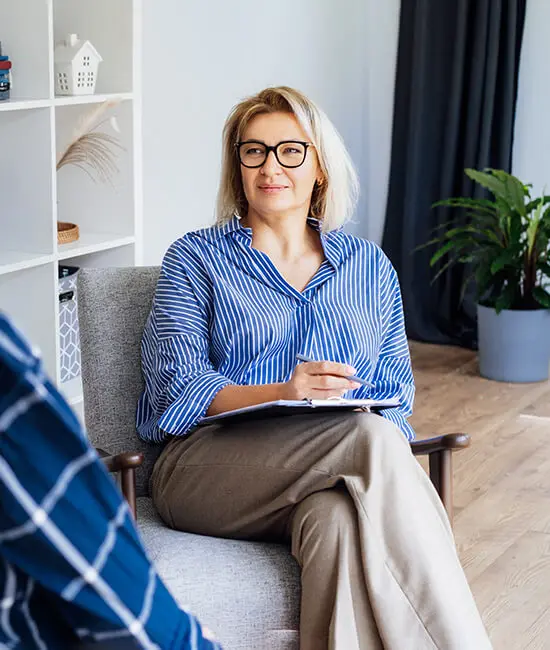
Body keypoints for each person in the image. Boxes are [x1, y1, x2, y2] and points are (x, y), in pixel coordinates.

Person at [137, 86, 492, 650]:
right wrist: (285, 390)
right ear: (238, 165)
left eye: (290, 151)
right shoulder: (195, 257)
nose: (270, 166)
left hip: (329, 467)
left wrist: (343, 407)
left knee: (337, 521)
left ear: (320, 166)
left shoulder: (368, 266)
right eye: (252, 151)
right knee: (371, 440)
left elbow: (396, 394)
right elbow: (175, 390)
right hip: (206, 469)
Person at [0, 313, 221, 650]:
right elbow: (182, 390)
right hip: (211, 448)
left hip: (316, 451)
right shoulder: (194, 262)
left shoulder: (334, 270)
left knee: (330, 513)